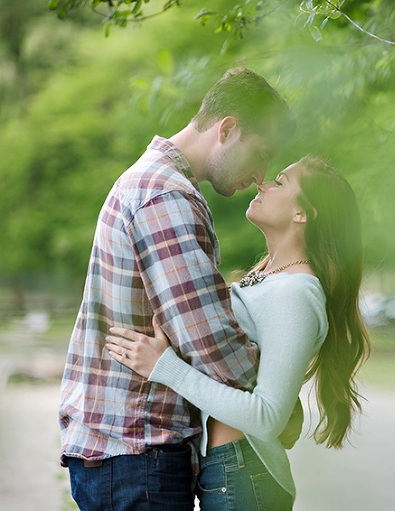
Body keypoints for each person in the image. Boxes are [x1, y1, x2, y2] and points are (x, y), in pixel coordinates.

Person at [59, 67, 298, 511]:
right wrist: (277, 406)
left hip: (124, 450)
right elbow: (206, 334)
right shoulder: (166, 194)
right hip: (136, 446)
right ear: (227, 129)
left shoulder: (154, 182)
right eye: (260, 153)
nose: (261, 174)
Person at [105, 156, 370, 510]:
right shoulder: (269, 278)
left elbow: (266, 417)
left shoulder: (296, 293)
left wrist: (164, 367)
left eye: (280, 181)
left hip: (243, 474)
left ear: (302, 214)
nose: (263, 183)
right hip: (230, 470)